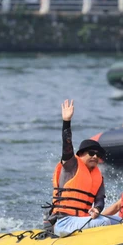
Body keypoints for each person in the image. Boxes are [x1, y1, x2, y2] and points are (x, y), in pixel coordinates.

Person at [47, 100, 118, 236]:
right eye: (91, 153)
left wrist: (97, 209)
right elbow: (66, 146)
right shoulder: (71, 165)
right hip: (64, 222)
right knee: (105, 223)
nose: (95, 157)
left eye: (98, 155)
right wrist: (66, 122)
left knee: (121, 220)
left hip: (82, 221)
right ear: (80, 155)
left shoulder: (98, 177)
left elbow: (100, 200)